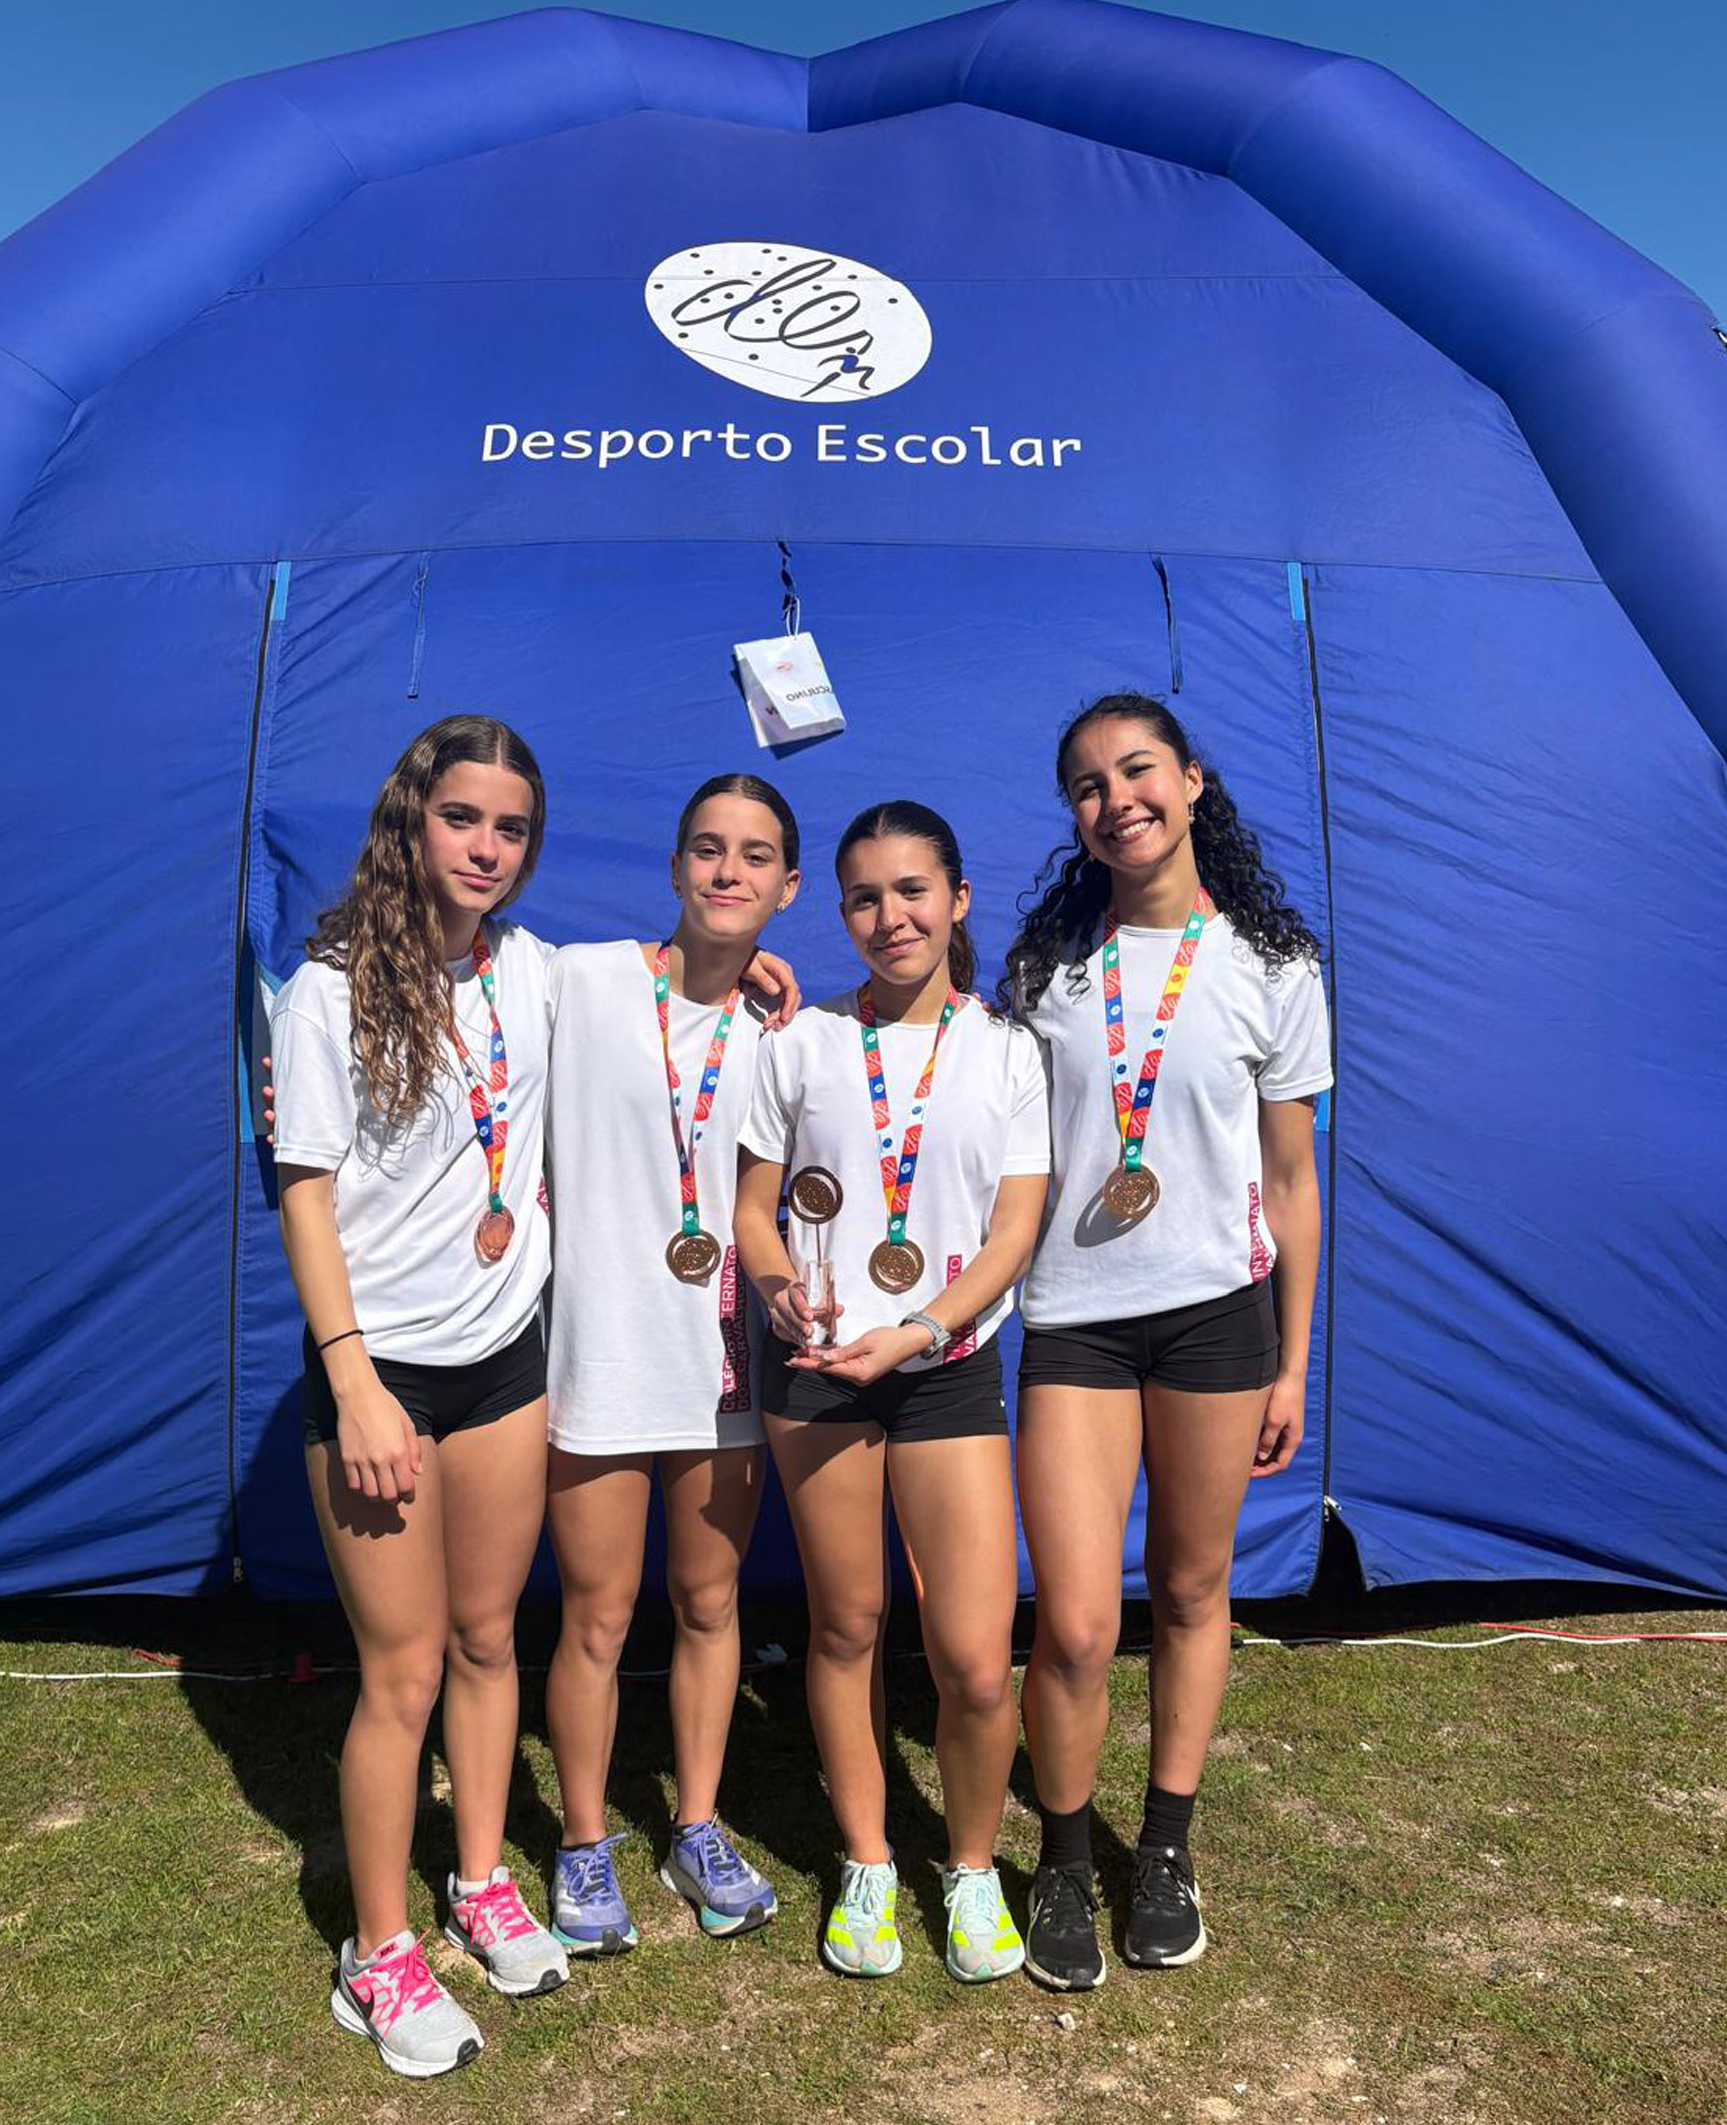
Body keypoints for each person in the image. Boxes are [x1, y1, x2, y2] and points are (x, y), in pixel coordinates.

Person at [1002, 692, 1331, 1993]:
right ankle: (1063, 1859)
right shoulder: (1048, 970)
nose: (1115, 800)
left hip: (1215, 1321)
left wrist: (1292, 1361)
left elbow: (1291, 1183)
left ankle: (1166, 1849)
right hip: (1075, 1322)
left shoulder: (1273, 968)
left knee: (1193, 1593)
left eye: (1135, 770)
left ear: (1191, 781)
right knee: (1078, 1625)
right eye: (1086, 785)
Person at [269, 713, 564, 2078]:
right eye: (462, 818)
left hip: (504, 1362)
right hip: (379, 1377)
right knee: (402, 1671)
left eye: (511, 827)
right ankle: (376, 1953)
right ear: (410, 819)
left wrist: (752, 974)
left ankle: (481, 1881)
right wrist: (355, 1383)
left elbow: (672, 981)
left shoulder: (535, 972)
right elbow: (305, 1195)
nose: (486, 847)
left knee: (490, 1639)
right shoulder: (327, 989)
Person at [737, 800, 1050, 1983]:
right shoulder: (801, 1043)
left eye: (913, 890)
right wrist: (779, 1292)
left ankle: (968, 1867)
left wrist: (919, 1328)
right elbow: (755, 1213)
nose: (890, 916)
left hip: (943, 1368)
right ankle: (868, 1859)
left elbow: (1012, 1233)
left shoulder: (1008, 1050)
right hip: (818, 1371)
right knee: (847, 1623)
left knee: (972, 1655)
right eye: (865, 897)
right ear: (840, 910)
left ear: (958, 899)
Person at [540, 776, 802, 1955]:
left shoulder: (784, 1036)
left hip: (720, 1364)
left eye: (754, 856)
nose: (727, 871)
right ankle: (583, 1840)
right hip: (600, 1352)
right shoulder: (584, 978)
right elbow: (458, 989)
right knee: (596, 1616)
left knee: (708, 1603)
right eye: (707, 848)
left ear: (787, 887)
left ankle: (696, 1824)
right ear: (675, 865)